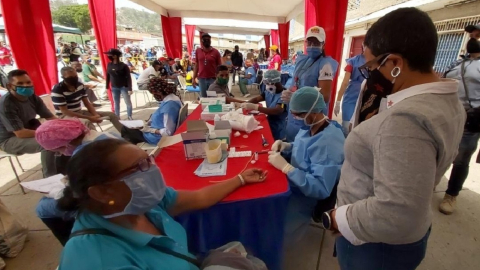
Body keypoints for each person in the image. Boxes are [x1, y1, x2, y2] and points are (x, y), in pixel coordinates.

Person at [319, 8, 465, 270]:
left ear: (396, 64)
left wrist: (337, 218)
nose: (371, 74)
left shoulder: (405, 120)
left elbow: (397, 214)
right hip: (400, 239)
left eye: (374, 65)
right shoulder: (446, 100)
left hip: (374, 246)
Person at [57, 138, 267, 270]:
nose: (152, 169)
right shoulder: (98, 260)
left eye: (148, 160)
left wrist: (240, 179)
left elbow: (200, 198)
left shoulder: (143, 203)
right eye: (139, 167)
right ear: (102, 192)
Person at [268, 86, 344, 243]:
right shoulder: (310, 127)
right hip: (296, 182)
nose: (295, 118)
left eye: (299, 115)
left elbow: (320, 187)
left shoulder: (328, 143)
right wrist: (287, 147)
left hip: (306, 195)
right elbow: (302, 148)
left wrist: (287, 168)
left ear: (314, 111)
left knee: (277, 230)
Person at [34, 119, 121, 245]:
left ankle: (73, 242)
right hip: (120, 187)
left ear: (66, 143)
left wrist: (55, 192)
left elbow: (75, 197)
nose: (61, 154)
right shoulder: (106, 136)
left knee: (42, 207)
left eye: (59, 151)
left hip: (111, 200)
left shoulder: (83, 155)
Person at [439, 37, 480, 215]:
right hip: (447, 115)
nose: (473, 38)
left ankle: (451, 194)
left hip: (470, 119)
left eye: (477, 34)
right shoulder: (458, 62)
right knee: (439, 152)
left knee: (461, 158)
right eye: (472, 34)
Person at [281, 26, 339, 142]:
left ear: (323, 44)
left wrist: (297, 97)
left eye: (316, 43)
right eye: (310, 42)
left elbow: (325, 97)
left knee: (304, 147)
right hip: (295, 115)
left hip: (309, 118)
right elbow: (296, 80)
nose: (312, 46)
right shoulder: (303, 60)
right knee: (292, 144)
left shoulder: (325, 64)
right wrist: (288, 91)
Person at [0, 70, 59, 177]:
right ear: (10, 86)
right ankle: (50, 178)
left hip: (27, 131)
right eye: (20, 84)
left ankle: (64, 171)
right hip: (8, 140)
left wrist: (67, 127)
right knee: (47, 143)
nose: (26, 86)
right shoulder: (6, 104)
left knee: (65, 137)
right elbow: (20, 133)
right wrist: (49, 132)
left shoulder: (32, 97)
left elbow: (50, 117)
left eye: (28, 82)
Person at [52, 67, 122, 132]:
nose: (73, 78)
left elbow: (87, 103)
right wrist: (90, 118)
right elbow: (65, 111)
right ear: (63, 77)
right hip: (65, 115)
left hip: (79, 112)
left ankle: (127, 135)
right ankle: (96, 142)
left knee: (112, 115)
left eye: (75, 76)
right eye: (70, 77)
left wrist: (95, 114)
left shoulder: (79, 85)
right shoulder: (57, 89)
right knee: (87, 122)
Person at [122, 78, 182, 145]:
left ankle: (132, 150)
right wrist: (148, 123)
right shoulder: (173, 98)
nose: (153, 96)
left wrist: (150, 130)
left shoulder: (169, 106)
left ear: (158, 92)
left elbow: (168, 132)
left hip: (157, 138)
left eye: (153, 93)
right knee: (131, 129)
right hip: (156, 129)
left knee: (125, 129)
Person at [241, 69, 287, 140]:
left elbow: (277, 110)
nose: (268, 85)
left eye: (270, 83)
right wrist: (245, 104)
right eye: (266, 83)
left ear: (277, 82)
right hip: (270, 121)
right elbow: (257, 99)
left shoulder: (284, 95)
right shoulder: (269, 91)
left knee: (277, 144)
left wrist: (256, 107)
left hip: (279, 126)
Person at [334, 51, 366, 135]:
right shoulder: (376, 61)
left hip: (351, 96)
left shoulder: (352, 61)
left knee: (346, 127)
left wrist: (338, 101)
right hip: (366, 95)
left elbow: (345, 82)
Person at [105, 48, 133, 120]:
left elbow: (128, 77)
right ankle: (117, 117)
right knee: (116, 103)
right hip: (114, 87)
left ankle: (129, 116)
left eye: (110, 55)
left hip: (124, 86)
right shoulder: (109, 65)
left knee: (128, 102)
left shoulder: (123, 66)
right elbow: (107, 75)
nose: (109, 56)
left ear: (115, 56)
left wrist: (130, 88)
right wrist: (107, 86)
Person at [193, 33, 222, 97]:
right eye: (204, 40)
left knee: (213, 98)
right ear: (201, 41)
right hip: (201, 79)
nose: (206, 41)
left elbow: (219, 67)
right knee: (203, 98)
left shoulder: (216, 52)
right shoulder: (198, 51)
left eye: (208, 39)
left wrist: (219, 79)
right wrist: (193, 78)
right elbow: (196, 65)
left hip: (213, 79)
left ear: (210, 41)